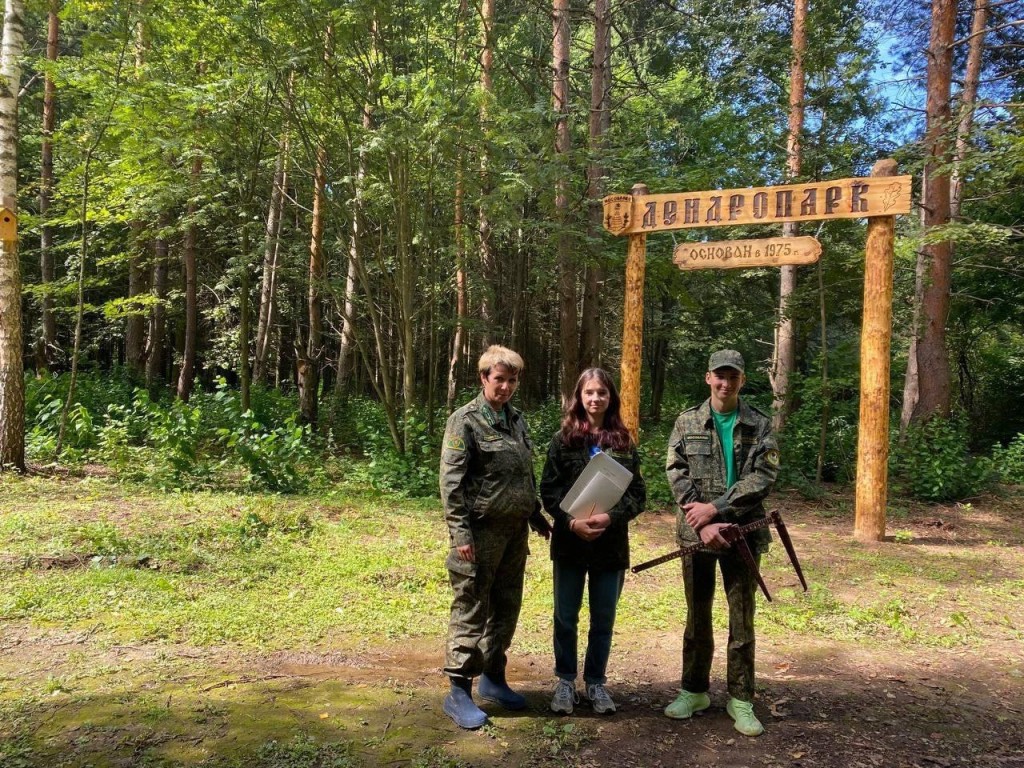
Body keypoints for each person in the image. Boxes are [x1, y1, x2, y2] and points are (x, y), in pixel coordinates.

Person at [663, 349, 780, 737]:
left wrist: (716, 509)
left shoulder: (759, 424)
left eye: (733, 377)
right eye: (719, 376)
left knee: (741, 619)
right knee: (697, 616)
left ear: (742, 380)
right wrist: (701, 522)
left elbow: (763, 476)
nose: (725, 383)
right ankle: (694, 690)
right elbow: (676, 473)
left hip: (742, 533)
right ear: (708, 378)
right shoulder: (687, 422)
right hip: (696, 536)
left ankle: (741, 698)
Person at [440, 345, 552, 730]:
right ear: (483, 378)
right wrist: (460, 534)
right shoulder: (465, 421)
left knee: (506, 608)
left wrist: (535, 514)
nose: (505, 386)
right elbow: (451, 484)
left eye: (511, 379)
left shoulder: (516, 420)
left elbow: (522, 476)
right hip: (479, 533)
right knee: (472, 607)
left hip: (514, 534)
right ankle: (458, 689)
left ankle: (493, 676)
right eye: (498, 379)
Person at [540, 368, 646, 716]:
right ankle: (566, 681)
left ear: (610, 397)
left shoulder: (623, 441)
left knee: (604, 618)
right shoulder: (563, 439)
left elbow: (638, 496)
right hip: (570, 544)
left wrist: (610, 518)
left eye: (601, 392)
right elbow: (549, 491)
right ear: (579, 397)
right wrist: (571, 523)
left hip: (610, 546)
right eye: (589, 392)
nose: (595, 398)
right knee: (565, 616)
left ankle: (597, 683)